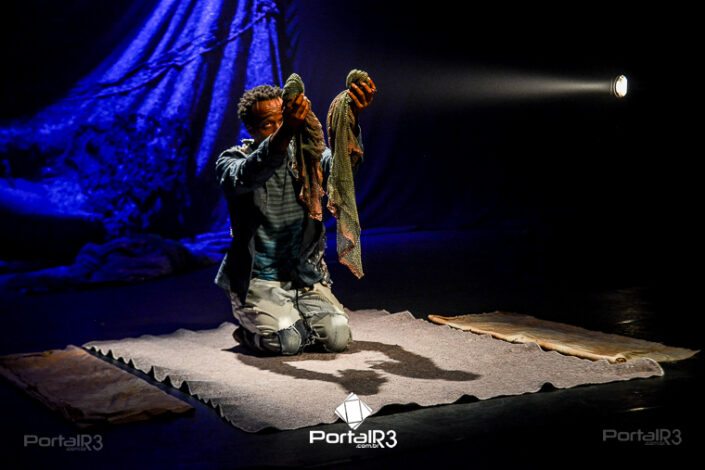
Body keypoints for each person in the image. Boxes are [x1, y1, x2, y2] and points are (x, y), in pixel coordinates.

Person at [214, 79, 376, 356]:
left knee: (338, 337)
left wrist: (349, 118)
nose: (280, 128)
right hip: (260, 279)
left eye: (284, 119)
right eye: (269, 124)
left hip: (304, 277)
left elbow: (343, 171)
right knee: (286, 342)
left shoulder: (308, 157)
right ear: (252, 129)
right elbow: (250, 173)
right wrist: (287, 129)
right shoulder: (233, 161)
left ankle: (295, 320)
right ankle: (251, 332)